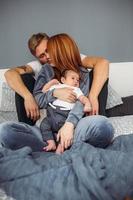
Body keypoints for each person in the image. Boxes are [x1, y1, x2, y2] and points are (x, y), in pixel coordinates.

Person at [0, 33, 113, 153]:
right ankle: (52, 143)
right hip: (49, 122)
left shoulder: (80, 68)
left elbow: (82, 99)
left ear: (59, 49)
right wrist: (54, 93)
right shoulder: (43, 69)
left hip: (75, 124)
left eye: (49, 50)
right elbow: (11, 74)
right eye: (42, 55)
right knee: (5, 131)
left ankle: (65, 143)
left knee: (103, 126)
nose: (47, 57)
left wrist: (70, 124)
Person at [34, 68, 92, 153]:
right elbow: (44, 91)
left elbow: (83, 98)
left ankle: (60, 147)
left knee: (65, 132)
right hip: (52, 114)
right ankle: (51, 143)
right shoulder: (57, 87)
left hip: (65, 115)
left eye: (78, 80)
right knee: (44, 125)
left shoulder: (76, 90)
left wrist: (87, 104)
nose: (76, 81)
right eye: (73, 78)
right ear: (63, 80)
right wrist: (52, 82)